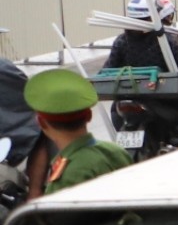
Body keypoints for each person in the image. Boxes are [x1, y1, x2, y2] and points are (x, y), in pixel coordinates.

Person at [23, 69, 130, 197]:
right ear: (89, 116)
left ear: (42, 123)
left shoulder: (69, 174)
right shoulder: (117, 152)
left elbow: (60, 216)